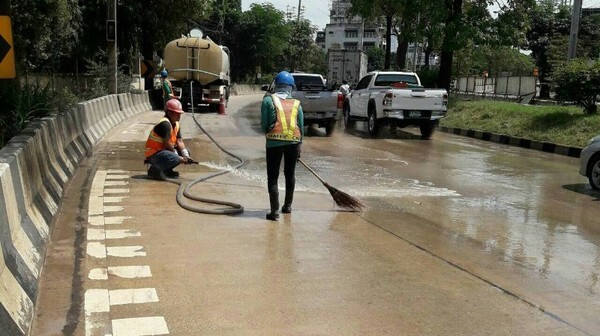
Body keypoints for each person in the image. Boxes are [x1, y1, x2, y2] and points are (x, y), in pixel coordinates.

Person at [261, 71, 304, 221]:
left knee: (273, 177)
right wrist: (299, 145)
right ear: (291, 87)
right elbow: (301, 127)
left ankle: (274, 212)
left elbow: (264, 125)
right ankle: (288, 206)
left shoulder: (268, 100)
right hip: (293, 143)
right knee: (289, 174)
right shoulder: (297, 104)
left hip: (273, 143)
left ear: (276, 86)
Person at [145, 99, 193, 180]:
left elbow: (179, 141)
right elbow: (167, 143)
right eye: (177, 113)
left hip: (164, 152)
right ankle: (153, 171)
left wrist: (186, 156)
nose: (179, 116)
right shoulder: (165, 124)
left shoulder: (176, 123)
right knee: (175, 157)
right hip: (153, 154)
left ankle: (166, 170)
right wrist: (179, 158)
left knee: (186, 151)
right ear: (170, 113)